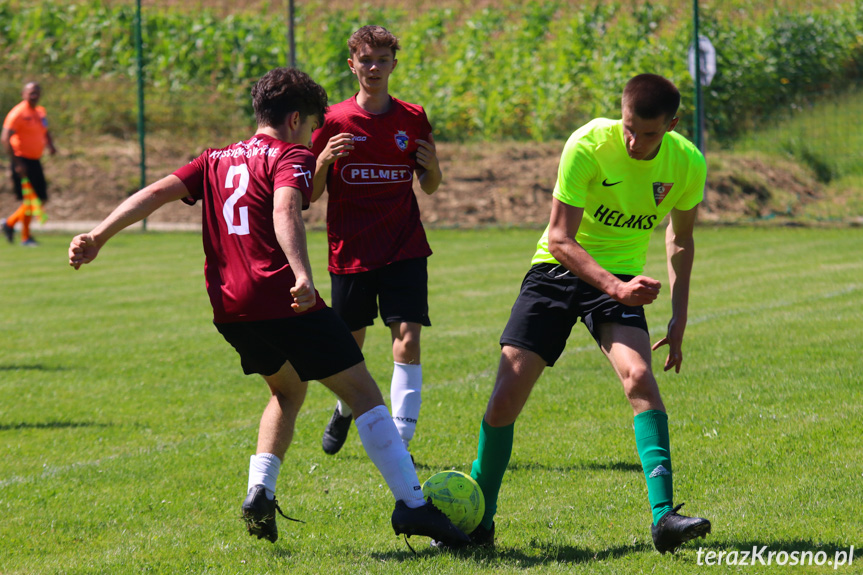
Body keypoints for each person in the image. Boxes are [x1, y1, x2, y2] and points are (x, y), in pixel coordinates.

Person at [68, 67, 468, 548]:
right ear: (296, 118)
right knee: (363, 395)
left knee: (286, 391)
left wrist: (98, 235)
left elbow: (154, 193)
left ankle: (260, 490)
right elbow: (284, 209)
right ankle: (414, 508)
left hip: (229, 309)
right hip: (281, 297)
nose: (314, 133)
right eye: (313, 124)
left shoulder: (213, 159)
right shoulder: (290, 154)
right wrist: (301, 273)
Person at [455, 74, 711, 553]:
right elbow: (559, 238)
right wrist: (617, 287)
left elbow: (681, 237)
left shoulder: (687, 162)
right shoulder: (589, 144)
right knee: (505, 398)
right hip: (557, 271)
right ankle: (478, 523)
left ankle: (664, 520)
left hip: (619, 282)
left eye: (649, 134)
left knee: (639, 378)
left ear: (673, 124)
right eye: (629, 127)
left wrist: (678, 317)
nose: (634, 141)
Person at [310, 25, 442, 458]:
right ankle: (344, 408)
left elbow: (431, 185)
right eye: (366, 60)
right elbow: (309, 194)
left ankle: (400, 439)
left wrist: (433, 166)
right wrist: (325, 160)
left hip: (404, 245)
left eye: (382, 60)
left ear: (393, 65)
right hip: (351, 249)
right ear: (352, 65)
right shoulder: (333, 120)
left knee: (407, 336)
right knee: (351, 345)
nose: (374, 68)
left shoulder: (412, 117)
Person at [2, 81, 57, 246]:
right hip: (22, 161)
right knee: (31, 199)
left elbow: (45, 131)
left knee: (39, 199)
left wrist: (50, 145)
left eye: (37, 92)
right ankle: (24, 236)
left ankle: (9, 224)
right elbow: (5, 138)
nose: (35, 95)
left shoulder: (40, 112)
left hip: (35, 160)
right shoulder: (18, 113)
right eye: (31, 92)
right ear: (23, 94)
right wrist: (17, 163)